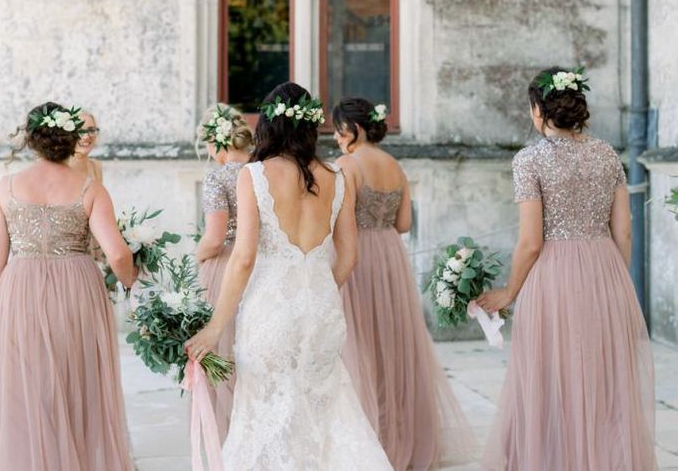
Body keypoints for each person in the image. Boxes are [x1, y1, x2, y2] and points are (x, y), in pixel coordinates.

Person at [186, 82, 392, 470]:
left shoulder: (255, 175)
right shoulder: (336, 176)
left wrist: (214, 327)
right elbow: (348, 256)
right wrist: (317, 292)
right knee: (325, 415)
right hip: (321, 311)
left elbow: (243, 258)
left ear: (268, 125)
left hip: (270, 313)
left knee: (264, 420)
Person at [478, 67, 656, 470]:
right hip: (604, 270)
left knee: (550, 374)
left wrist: (509, 292)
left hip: (553, 275)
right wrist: (612, 279)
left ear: (540, 109)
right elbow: (624, 231)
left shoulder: (529, 160)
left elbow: (530, 241)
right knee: (601, 378)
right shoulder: (607, 154)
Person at [0, 102, 139, 471]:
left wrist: (0, 317)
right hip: (78, 290)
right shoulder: (90, 187)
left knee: (29, 387)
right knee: (78, 382)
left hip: (20, 291)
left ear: (31, 140)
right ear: (69, 138)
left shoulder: (6, 187)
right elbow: (118, 255)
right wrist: (130, 283)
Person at [333, 97, 475, 471]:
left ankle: (369, 439)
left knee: (358, 347)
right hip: (390, 258)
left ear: (355, 130)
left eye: (338, 129)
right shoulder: (396, 166)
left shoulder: (347, 165)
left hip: (359, 257)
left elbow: (339, 220)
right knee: (391, 345)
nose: (335, 137)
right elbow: (404, 224)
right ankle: (403, 435)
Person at [194, 103, 252, 441]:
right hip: (262, 264)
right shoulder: (262, 170)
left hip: (226, 267)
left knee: (223, 352)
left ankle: (228, 438)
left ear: (216, 143)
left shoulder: (219, 176)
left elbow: (214, 238)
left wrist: (197, 255)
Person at [67, 110, 104, 260]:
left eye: (91, 130)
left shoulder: (96, 166)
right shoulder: (61, 167)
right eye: (80, 130)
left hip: (94, 242)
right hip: (70, 247)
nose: (87, 136)